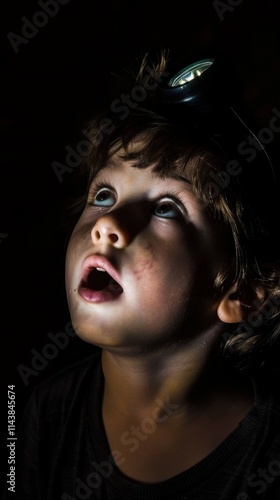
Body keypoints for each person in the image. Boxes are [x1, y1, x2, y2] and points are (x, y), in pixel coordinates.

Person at [3, 52, 280, 500]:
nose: (107, 223)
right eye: (104, 194)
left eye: (166, 208)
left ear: (242, 292)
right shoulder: (37, 411)